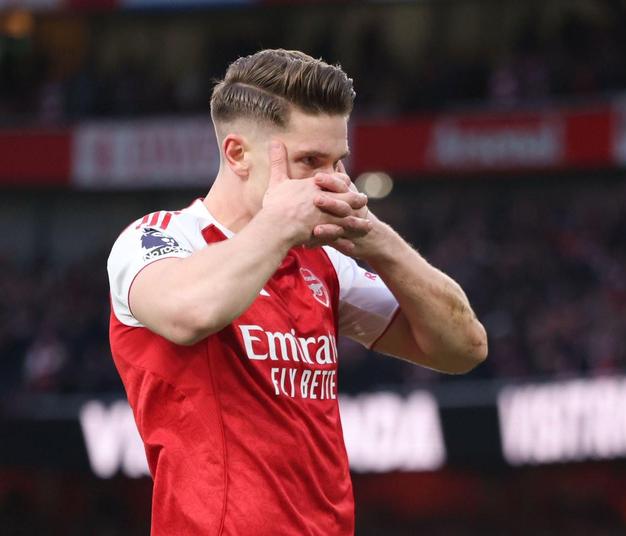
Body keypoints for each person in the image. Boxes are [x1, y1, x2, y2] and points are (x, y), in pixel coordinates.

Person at [107, 49, 487, 536]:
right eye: (310, 161)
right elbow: (191, 314)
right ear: (238, 155)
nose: (333, 182)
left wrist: (379, 241)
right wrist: (280, 223)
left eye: (338, 162)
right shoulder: (156, 239)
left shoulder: (322, 263)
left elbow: (463, 348)